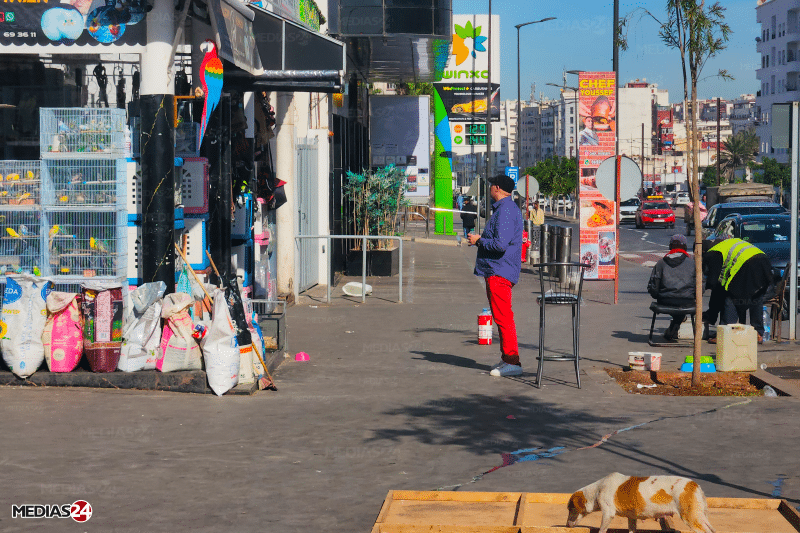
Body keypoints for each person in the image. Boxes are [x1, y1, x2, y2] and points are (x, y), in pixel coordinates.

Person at [467, 174, 524, 377]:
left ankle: (512, 361)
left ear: (497, 188)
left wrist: (479, 240)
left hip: (500, 270)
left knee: (503, 317)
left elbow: (500, 244)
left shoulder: (506, 211)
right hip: (499, 269)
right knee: (502, 317)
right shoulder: (505, 209)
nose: (490, 188)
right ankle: (507, 358)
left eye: (491, 186)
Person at [703, 236, 775, 344]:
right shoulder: (726, 245)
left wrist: (702, 288)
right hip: (763, 262)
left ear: (703, 251)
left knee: (731, 298)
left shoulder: (713, 253)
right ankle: (758, 333)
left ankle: (724, 335)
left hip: (748, 265)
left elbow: (713, 281)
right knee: (756, 298)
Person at [647, 235, 696, 341]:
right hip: (687, 301)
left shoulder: (661, 263)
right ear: (685, 247)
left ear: (670, 247)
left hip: (665, 300)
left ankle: (672, 330)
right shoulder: (693, 264)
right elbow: (700, 285)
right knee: (681, 308)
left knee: (677, 308)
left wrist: (657, 296)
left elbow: (653, 286)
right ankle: (672, 330)